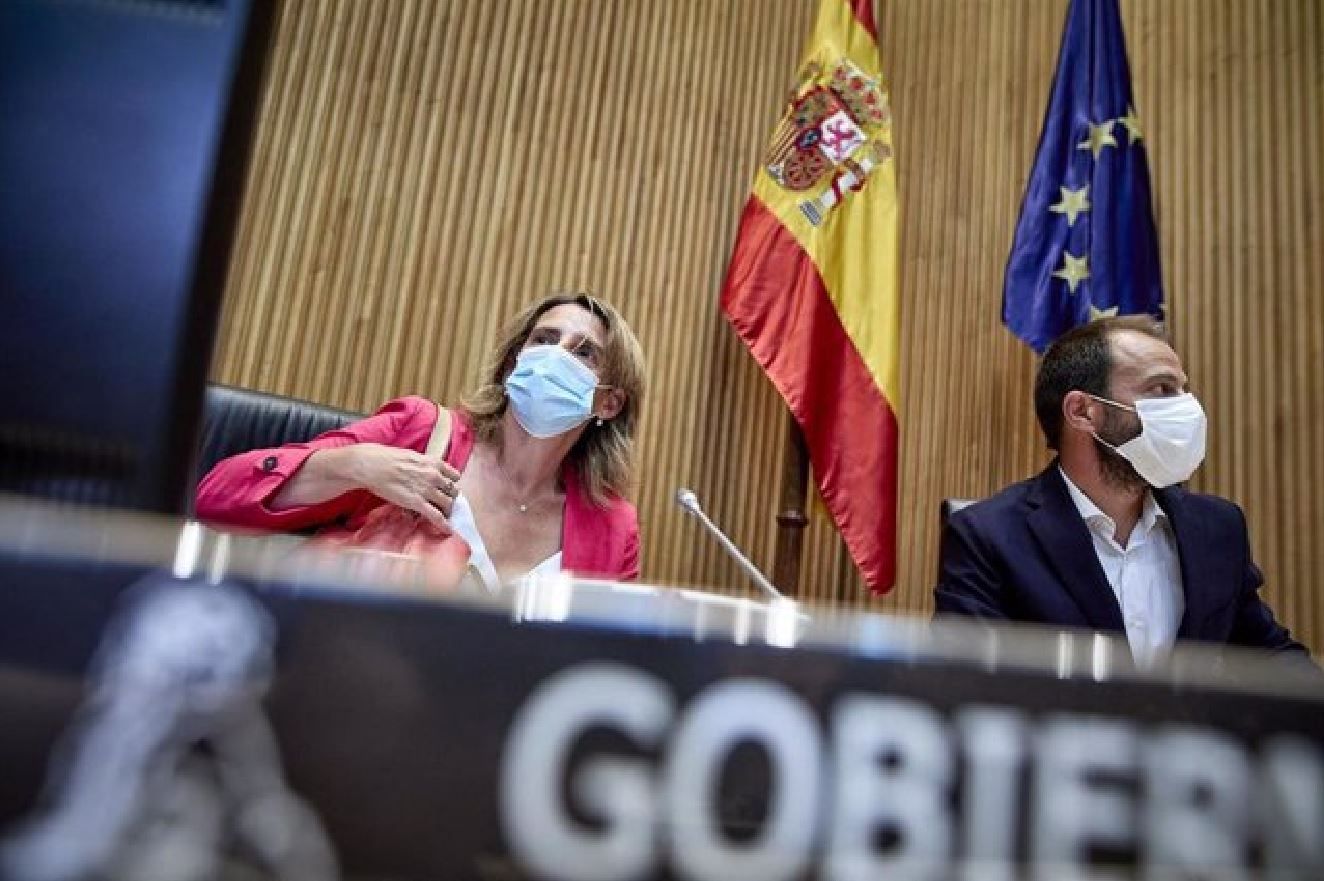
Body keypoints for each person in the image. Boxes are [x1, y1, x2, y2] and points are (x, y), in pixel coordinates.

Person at [196, 292, 645, 587]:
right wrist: (358, 466)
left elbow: (603, 659)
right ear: (513, 366)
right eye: (544, 340)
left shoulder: (613, 528)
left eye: (583, 352)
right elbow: (218, 495)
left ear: (608, 403)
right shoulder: (420, 430)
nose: (554, 356)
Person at [934, 315, 1308, 664]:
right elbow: (967, 687)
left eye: (1183, 390)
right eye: (1161, 389)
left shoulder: (1217, 528)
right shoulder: (988, 536)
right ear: (1082, 411)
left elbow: (1274, 663)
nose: (1186, 408)